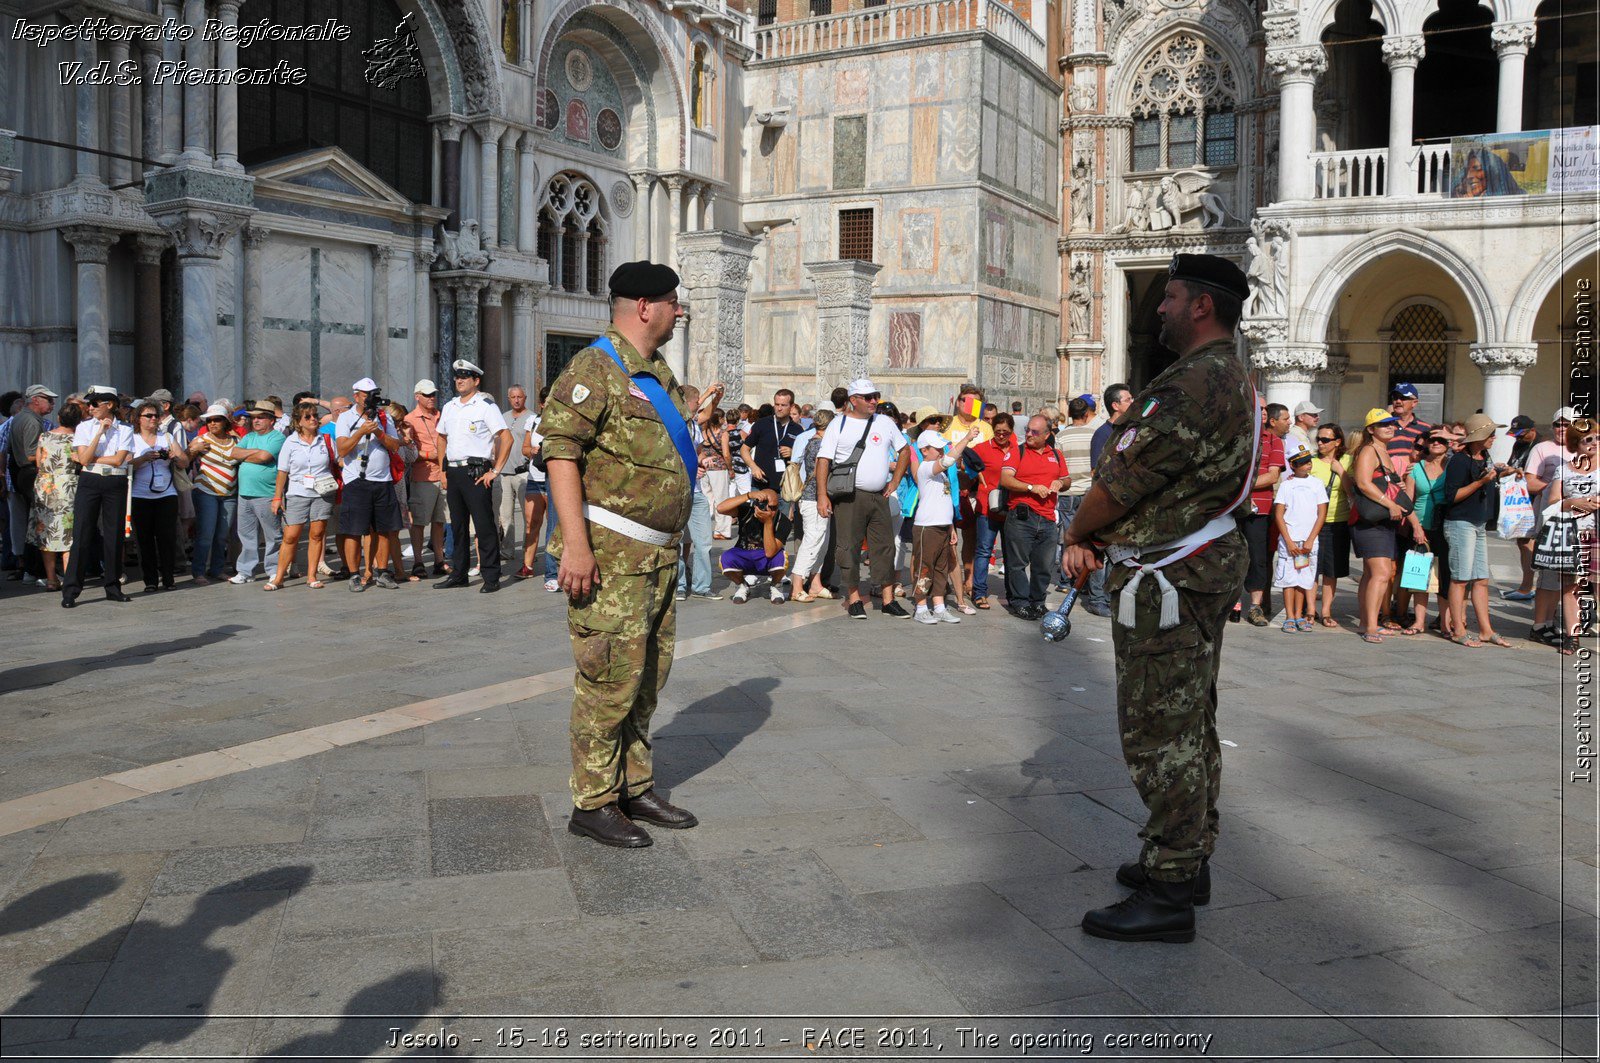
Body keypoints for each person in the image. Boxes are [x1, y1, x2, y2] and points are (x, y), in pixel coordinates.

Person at [1061, 253, 1255, 944]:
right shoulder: (1227, 374)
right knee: (1191, 718)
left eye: (1169, 297)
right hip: (1193, 567)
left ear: (1201, 306)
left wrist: (1080, 530)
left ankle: (1171, 886)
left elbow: (1122, 479)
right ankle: (1185, 857)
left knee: (1159, 728)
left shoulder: (1192, 383)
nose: (1161, 309)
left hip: (1169, 577)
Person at [542, 260, 700, 849]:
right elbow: (560, 454)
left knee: (646, 679)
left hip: (656, 557)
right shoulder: (593, 369)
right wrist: (576, 547)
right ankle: (593, 801)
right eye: (671, 302)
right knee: (608, 679)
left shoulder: (654, 370)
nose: (677, 311)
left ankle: (634, 785)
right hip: (610, 557)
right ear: (643, 307)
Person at [815, 379, 910, 620]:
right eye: (867, 397)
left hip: (879, 495)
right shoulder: (839, 424)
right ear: (853, 400)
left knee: (885, 546)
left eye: (875, 396)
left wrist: (896, 480)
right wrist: (822, 495)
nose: (873, 401)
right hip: (849, 497)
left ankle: (888, 600)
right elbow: (823, 460)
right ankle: (854, 597)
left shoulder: (885, 422)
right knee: (849, 546)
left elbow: (905, 450)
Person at [434, 359, 511, 593]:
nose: (459, 381)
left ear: (476, 381)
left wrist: (495, 471)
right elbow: (441, 438)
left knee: (484, 526)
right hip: (455, 471)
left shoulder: (486, 406)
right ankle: (459, 574)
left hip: (476, 471)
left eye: (465, 377)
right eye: (457, 377)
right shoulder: (450, 406)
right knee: (456, 526)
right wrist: (442, 469)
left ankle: (491, 576)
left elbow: (506, 438)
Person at [1441, 413, 1517, 648]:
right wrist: (1481, 483)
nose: (1494, 437)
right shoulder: (1459, 461)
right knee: (1460, 579)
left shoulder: (1484, 456)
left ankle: (1486, 630)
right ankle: (1459, 630)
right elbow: (1452, 496)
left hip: (1479, 523)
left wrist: (1505, 472)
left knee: (1481, 579)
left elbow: (1487, 478)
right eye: (1491, 434)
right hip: (1460, 523)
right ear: (1479, 436)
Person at [62, 386, 136, 607]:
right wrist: (99, 434)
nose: (90, 407)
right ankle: (71, 590)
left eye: (95, 403)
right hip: (90, 481)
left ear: (109, 405)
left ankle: (113, 586)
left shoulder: (125, 429)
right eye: (89, 403)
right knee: (82, 533)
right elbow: (84, 459)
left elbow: (118, 459)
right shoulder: (84, 427)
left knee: (113, 535)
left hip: (114, 480)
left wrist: (91, 457)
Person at [999, 413, 1070, 620]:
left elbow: (1067, 480)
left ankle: (1037, 602)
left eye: (1034, 432)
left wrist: (1060, 483)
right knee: (1017, 563)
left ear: (1047, 434)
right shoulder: (1017, 452)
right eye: (1027, 430)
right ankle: (1020, 602)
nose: (1029, 434)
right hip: (1022, 517)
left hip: (1048, 518)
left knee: (1044, 565)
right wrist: (1030, 487)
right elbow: (1005, 479)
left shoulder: (1056, 455)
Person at [334, 378, 403, 592]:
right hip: (357, 481)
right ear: (356, 396)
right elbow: (342, 450)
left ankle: (382, 571)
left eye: (374, 394)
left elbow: (394, 446)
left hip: (382, 480)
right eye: (367, 395)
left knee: (384, 529)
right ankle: (354, 574)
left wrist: (378, 432)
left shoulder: (385, 417)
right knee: (354, 530)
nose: (371, 398)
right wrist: (361, 432)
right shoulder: (346, 417)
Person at [1349, 408, 1409, 644]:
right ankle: (1372, 626)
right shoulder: (1369, 450)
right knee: (1382, 573)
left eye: (1392, 423)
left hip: (1382, 520)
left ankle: (1366, 622)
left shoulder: (1384, 451)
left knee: (1371, 574)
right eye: (1384, 424)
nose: (1390, 427)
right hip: (1370, 520)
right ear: (1371, 429)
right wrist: (1389, 503)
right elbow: (1363, 484)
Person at [1540, 418, 1598, 654]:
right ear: (1576, 443)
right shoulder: (1564, 469)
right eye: (1588, 439)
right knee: (1570, 586)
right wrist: (1572, 502)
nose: (1594, 443)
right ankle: (1572, 636)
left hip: (1596, 532)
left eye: (1598, 438)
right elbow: (1553, 500)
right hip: (1571, 533)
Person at [912, 424, 979, 623]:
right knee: (925, 567)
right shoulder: (926, 468)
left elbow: (946, 499)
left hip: (942, 525)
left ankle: (939, 606)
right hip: (927, 526)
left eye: (941, 448)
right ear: (924, 450)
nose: (941, 452)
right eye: (937, 449)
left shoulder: (939, 473)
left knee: (941, 568)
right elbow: (949, 460)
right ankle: (921, 606)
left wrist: (950, 527)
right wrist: (966, 439)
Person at [268, 402, 337, 591]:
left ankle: (312, 575)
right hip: (297, 492)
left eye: (315, 415)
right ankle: (279, 577)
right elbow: (282, 471)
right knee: (290, 536)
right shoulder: (290, 441)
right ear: (298, 421)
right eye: (308, 416)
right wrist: (277, 497)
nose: (313, 419)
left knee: (317, 534)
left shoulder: (326, 439)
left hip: (322, 492)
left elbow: (339, 461)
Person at [1235, 398, 1287, 626]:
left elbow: (1273, 475)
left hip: (1260, 508)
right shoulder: (1235, 437)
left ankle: (1255, 607)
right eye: (1259, 408)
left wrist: (1242, 484)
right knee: (1233, 555)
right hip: (1233, 507)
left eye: (1266, 409)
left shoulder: (1274, 440)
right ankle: (1233, 602)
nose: (1264, 412)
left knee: (1258, 557)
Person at [1530, 408, 1580, 642]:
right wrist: (1556, 485)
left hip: (1578, 525)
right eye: (1558, 424)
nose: (1561, 428)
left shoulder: (1582, 450)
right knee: (1549, 575)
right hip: (1552, 522)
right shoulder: (1542, 449)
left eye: (1566, 424)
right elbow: (1530, 483)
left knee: (1567, 577)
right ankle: (1540, 625)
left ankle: (1552, 622)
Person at [1271, 443, 1328, 632]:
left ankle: (1299, 615)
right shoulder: (1287, 485)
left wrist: (1311, 539)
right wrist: (1288, 540)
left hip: (1308, 540)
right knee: (1288, 578)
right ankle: (1289, 616)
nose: (1307, 465)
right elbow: (1279, 514)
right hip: (1290, 539)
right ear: (1293, 466)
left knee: (1304, 578)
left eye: (1308, 461)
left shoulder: (1317, 484)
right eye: (1302, 462)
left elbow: (1321, 513)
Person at [128, 400, 183, 592]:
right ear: (138, 419)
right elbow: (125, 464)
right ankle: (150, 580)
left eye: (156, 416)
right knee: (144, 540)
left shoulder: (166, 436)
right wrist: (143, 458)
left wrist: (172, 456)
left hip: (166, 494)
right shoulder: (132, 438)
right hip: (139, 495)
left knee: (167, 538)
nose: (153, 419)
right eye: (148, 416)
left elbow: (184, 461)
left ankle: (168, 578)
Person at [676, 383, 724, 601]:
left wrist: (701, 461)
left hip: (696, 492)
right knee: (676, 541)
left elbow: (704, 415)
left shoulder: (694, 425)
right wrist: (707, 394)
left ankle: (701, 586)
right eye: (696, 402)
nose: (699, 406)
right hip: (678, 490)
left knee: (703, 542)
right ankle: (678, 585)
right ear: (688, 402)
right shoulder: (675, 422)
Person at [230, 404, 287, 584]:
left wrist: (246, 456)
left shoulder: (277, 437)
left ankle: (273, 569)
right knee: (246, 535)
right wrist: (255, 453)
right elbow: (234, 453)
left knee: (272, 536)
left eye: (260, 417)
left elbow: (265, 457)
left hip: (266, 494)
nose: (255, 420)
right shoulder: (249, 436)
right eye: (254, 417)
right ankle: (246, 571)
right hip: (244, 493)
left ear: (271, 420)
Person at [970, 412, 1020, 610]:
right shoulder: (982, 449)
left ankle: (1012, 594)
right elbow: (966, 463)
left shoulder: (1018, 450)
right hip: (986, 508)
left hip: (1011, 509)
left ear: (1011, 432)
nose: (1001, 436)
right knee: (983, 550)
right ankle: (979, 592)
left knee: (1010, 553)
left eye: (1005, 433)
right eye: (997, 432)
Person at [29, 401, 80, 591]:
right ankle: (68, 578)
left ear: (59, 418)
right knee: (67, 532)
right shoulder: (77, 438)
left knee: (47, 532)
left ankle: (51, 579)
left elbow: (38, 463)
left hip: (45, 485)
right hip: (68, 486)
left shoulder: (45, 436)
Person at [1407, 429, 1454, 636]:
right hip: (1421, 526)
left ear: (1449, 443)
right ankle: (1419, 622)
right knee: (1419, 575)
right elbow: (1407, 502)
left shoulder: (1453, 467)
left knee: (1445, 576)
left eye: (1441, 440)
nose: (1436, 443)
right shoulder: (1416, 468)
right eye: (1432, 439)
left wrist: (1453, 437)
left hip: (1446, 526)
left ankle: (1445, 622)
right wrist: (1415, 527)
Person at [8, 384, 57, 582]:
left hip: (22, 475)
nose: (53, 404)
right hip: (29, 474)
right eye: (49, 400)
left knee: (34, 522)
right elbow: (30, 454)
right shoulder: (30, 421)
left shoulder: (22, 418)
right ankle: (37, 570)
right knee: (40, 523)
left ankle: (32, 569)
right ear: (36, 400)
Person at [716, 485, 793, 603]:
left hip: (765, 558)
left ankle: (775, 586)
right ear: (757, 504)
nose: (770, 511)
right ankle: (742, 586)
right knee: (726, 558)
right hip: (745, 554)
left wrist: (767, 522)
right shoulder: (748, 511)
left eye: (774, 507)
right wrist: (748, 495)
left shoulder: (783, 521)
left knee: (781, 558)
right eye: (765, 506)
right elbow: (720, 508)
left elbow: (770, 552)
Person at [789, 408, 835, 602]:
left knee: (822, 543)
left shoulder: (813, 441)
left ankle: (815, 584)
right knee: (812, 541)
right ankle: (797, 585)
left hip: (816, 497)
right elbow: (818, 472)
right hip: (814, 498)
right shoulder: (819, 444)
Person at [404, 379, 448, 579]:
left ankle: (439, 560)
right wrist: (431, 454)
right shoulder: (410, 419)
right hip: (424, 476)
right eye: (427, 395)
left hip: (445, 474)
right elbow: (408, 448)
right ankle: (418, 561)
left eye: (433, 394)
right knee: (420, 522)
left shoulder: (442, 415)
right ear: (417, 396)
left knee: (440, 521)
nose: (432, 398)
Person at [1311, 423, 1353, 627]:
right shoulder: (1311, 462)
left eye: (1325, 439)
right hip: (1312, 522)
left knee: (1331, 570)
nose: (1320, 443)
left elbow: (1353, 492)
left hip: (1338, 520)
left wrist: (1341, 471)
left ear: (1338, 442)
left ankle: (1326, 611)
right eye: (1318, 439)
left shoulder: (1348, 460)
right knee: (1312, 568)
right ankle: (1310, 610)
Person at [1054, 397, 1096, 590]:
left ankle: (1065, 580)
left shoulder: (1062, 436)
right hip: (1089, 491)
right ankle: (1084, 580)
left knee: (1069, 536)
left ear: (1069, 414)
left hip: (1068, 492)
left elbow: (1057, 465)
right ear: (1087, 414)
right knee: (1088, 537)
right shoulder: (1094, 434)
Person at [497, 385, 533, 570]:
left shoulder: (532, 418)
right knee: (505, 516)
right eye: (513, 397)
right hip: (504, 473)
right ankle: (507, 550)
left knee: (529, 516)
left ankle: (529, 551)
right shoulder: (503, 417)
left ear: (525, 397)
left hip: (523, 473)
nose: (517, 400)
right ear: (509, 398)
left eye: (520, 396)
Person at [740, 389, 801, 488]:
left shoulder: (798, 430)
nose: (779, 408)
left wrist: (793, 453)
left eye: (783, 405)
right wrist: (753, 467)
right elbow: (744, 449)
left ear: (792, 406)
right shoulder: (762, 424)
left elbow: (804, 458)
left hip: (786, 487)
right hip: (761, 483)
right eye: (777, 404)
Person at [1386, 383, 1433, 476]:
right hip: (1388, 480)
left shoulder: (1426, 429)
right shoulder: (1383, 426)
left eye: (1403, 398)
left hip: (1414, 480)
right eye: (1395, 397)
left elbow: (1431, 457)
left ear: (1414, 402)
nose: (1398, 401)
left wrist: (1418, 465)